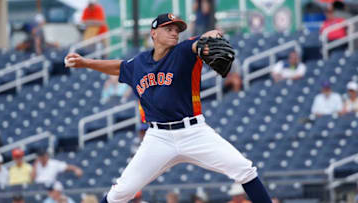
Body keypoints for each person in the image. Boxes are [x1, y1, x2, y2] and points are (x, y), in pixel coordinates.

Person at [65, 13, 272, 203]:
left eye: (177, 30)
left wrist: (214, 36)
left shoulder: (182, 52)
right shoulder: (139, 63)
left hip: (193, 132)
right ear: (154, 33)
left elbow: (202, 40)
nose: (174, 33)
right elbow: (119, 67)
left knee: (244, 169)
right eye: (169, 28)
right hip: (158, 138)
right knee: (120, 192)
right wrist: (86, 63)